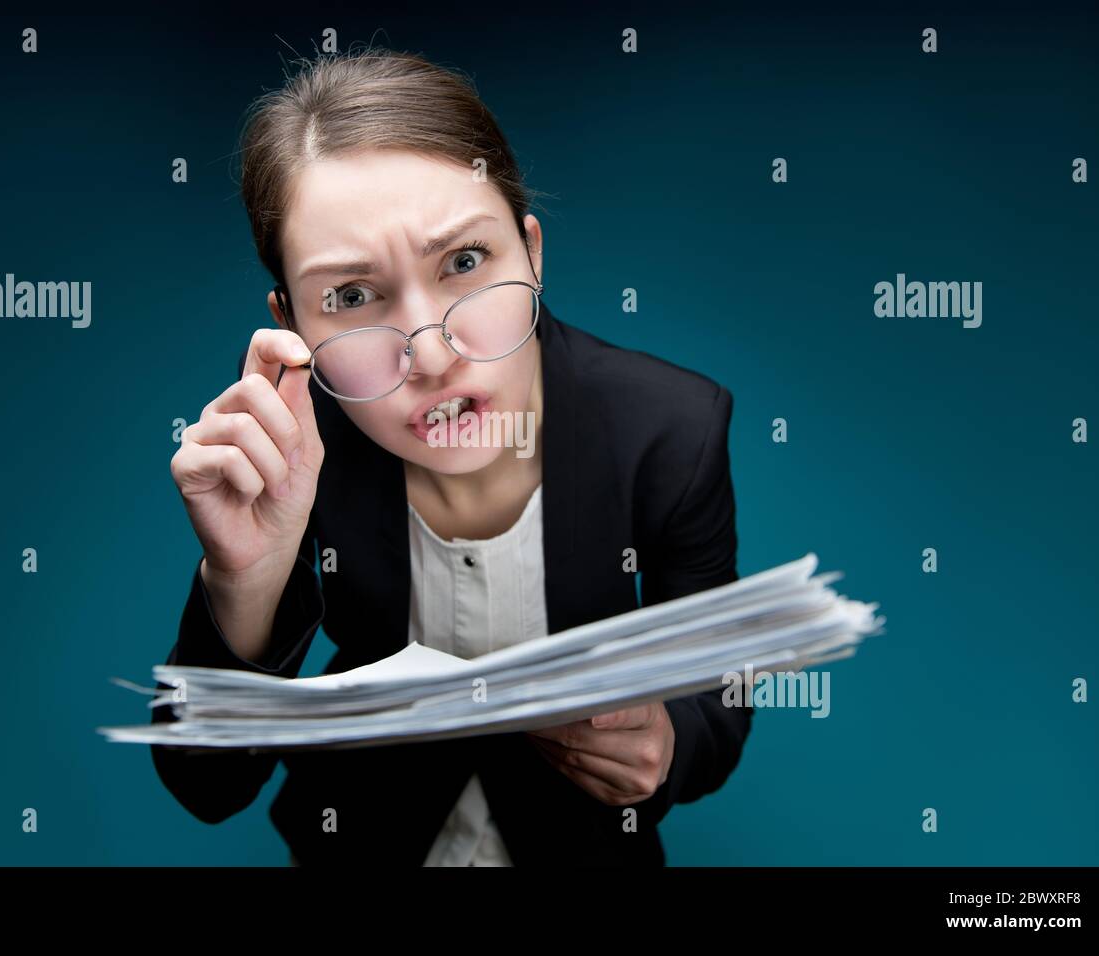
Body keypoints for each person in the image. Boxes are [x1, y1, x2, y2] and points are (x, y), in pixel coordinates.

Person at [151, 46, 752, 866]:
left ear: (531, 255)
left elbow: (718, 695)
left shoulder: (671, 429)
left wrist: (670, 741)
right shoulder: (292, 453)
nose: (430, 353)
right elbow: (204, 788)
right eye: (352, 297)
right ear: (290, 323)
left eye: (465, 263)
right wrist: (243, 580)